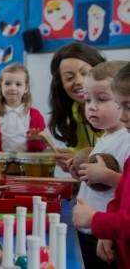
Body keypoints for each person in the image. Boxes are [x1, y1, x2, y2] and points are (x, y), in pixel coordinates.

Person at [71, 61, 130, 269]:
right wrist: (84, 172)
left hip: (107, 231)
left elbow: (125, 189)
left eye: (102, 99)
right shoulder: (106, 136)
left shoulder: (126, 139)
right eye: (87, 100)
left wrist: (105, 176)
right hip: (96, 229)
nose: (91, 106)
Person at [48, 42, 105, 170]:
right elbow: (88, 166)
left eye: (85, 73)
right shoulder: (74, 111)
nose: (79, 81)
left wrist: (79, 158)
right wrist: (73, 163)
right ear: (61, 85)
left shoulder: (119, 109)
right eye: (69, 78)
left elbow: (117, 159)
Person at [0, 63, 46, 152]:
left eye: (18, 84)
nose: (12, 88)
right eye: (7, 83)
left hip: (27, 165)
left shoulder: (35, 115)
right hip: (1, 164)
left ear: (26, 88)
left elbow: (41, 148)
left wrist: (35, 140)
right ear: (0, 87)